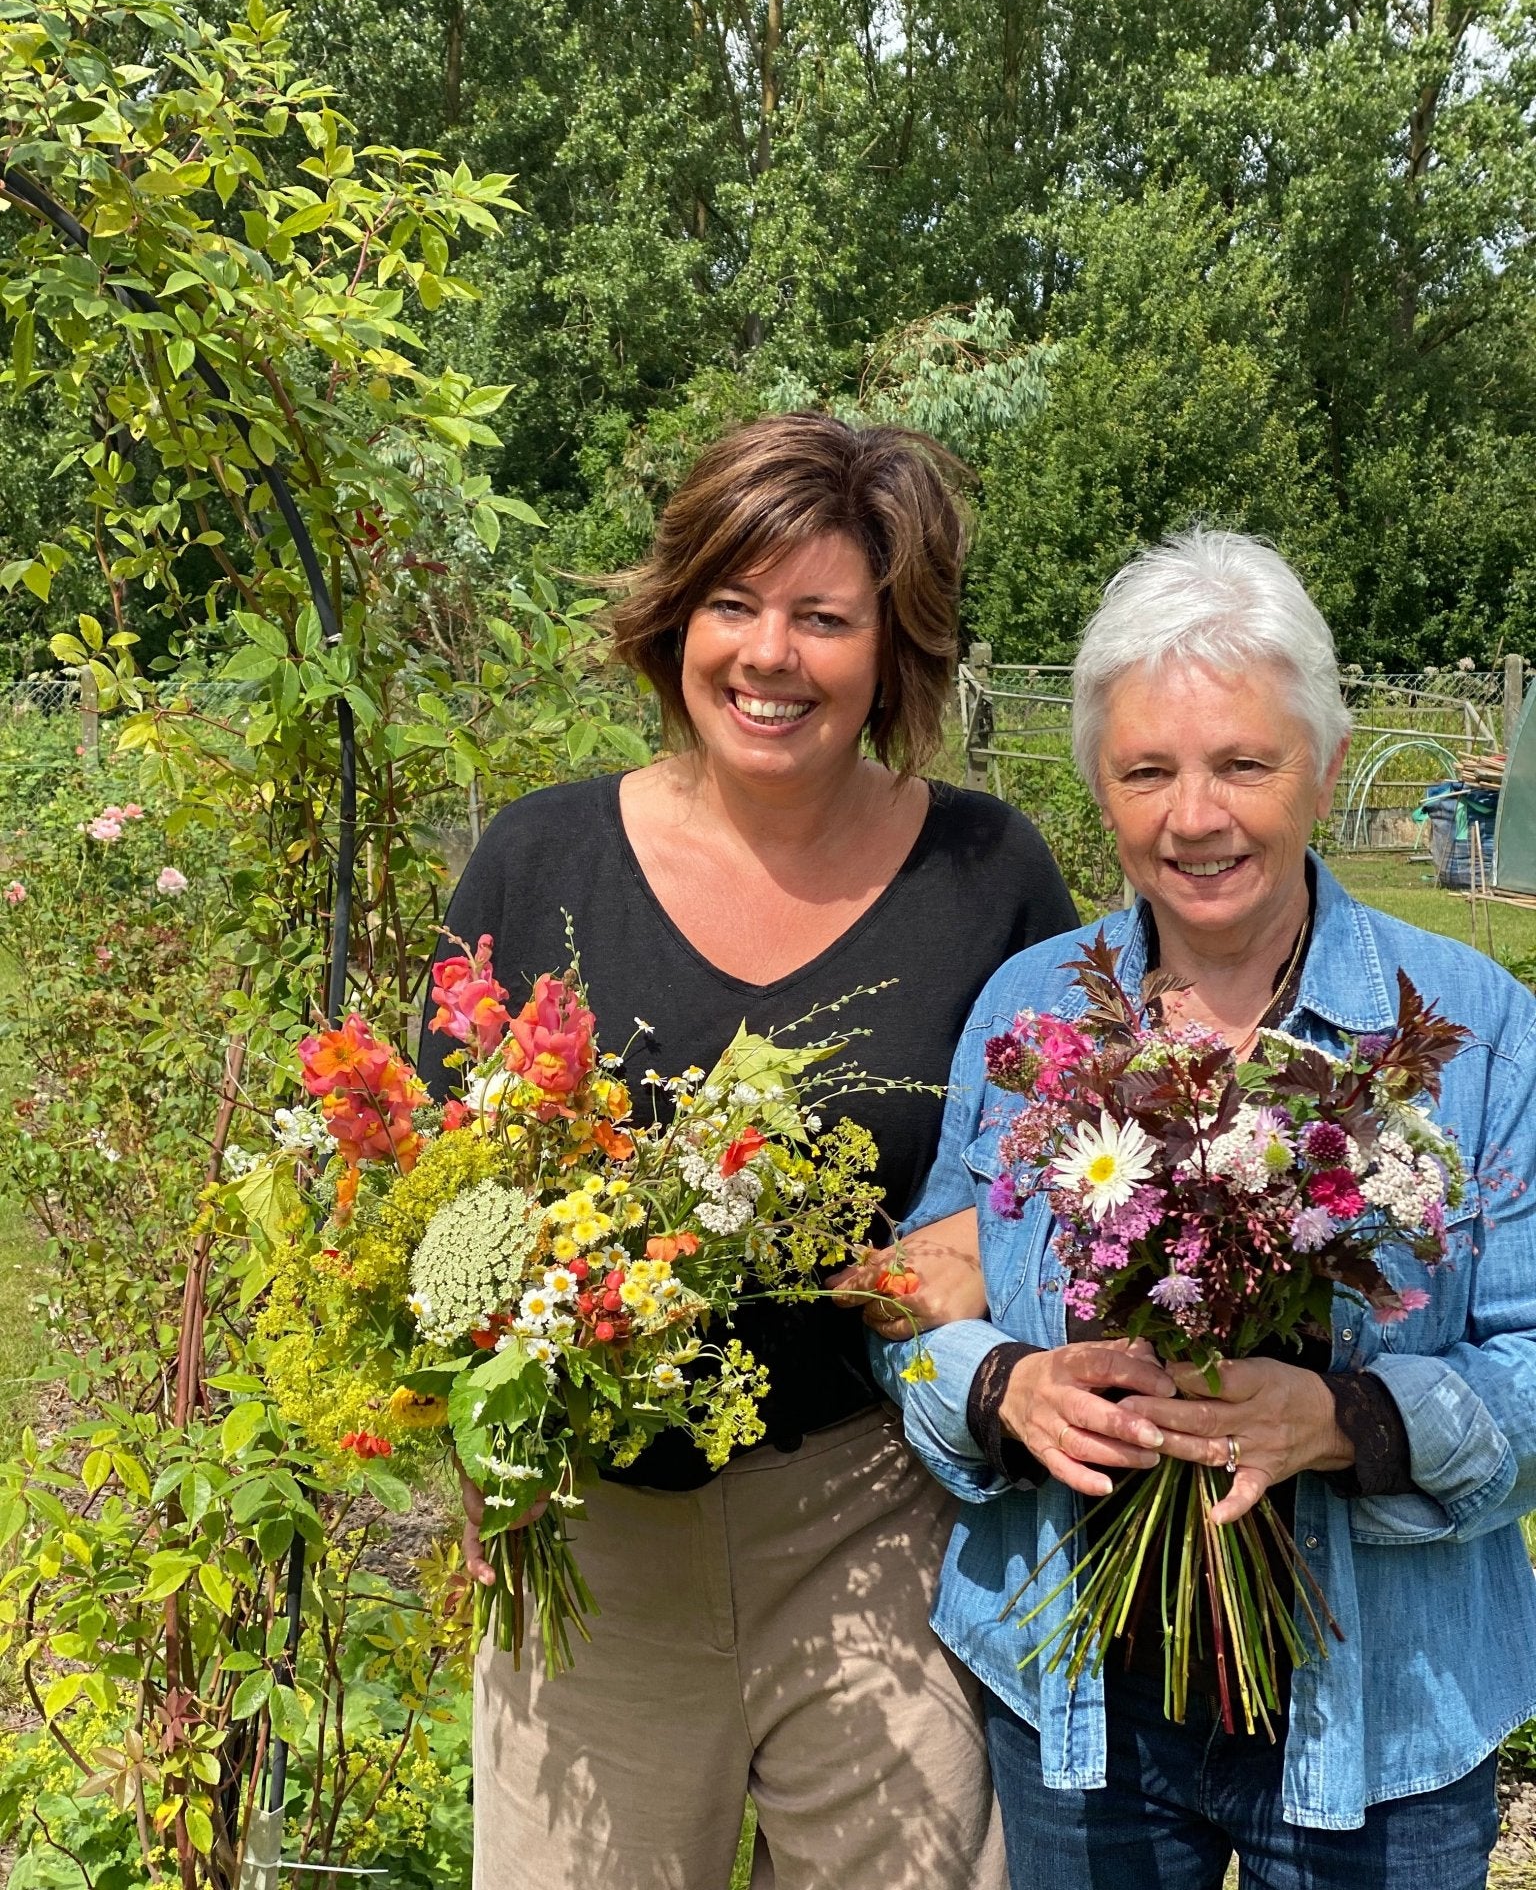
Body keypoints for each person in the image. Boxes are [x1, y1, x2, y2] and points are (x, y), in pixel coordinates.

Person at [418, 411, 1077, 1890]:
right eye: (733, 604)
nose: (770, 655)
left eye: (824, 618)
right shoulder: (540, 861)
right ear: (675, 623)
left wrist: (986, 1248)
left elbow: (1071, 1176)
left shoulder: (988, 875)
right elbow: (427, 1197)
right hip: (594, 1542)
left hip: (882, 1521)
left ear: (892, 650)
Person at [855, 529, 1536, 1890]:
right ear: (1099, 787)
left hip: (1384, 1710)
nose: (1195, 816)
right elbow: (909, 1307)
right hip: (1080, 1708)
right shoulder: (1033, 1013)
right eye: (1147, 771)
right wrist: (1005, 1390)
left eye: (1243, 763)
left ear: (1326, 768)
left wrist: (1351, 1422)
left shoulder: (1481, 1030)